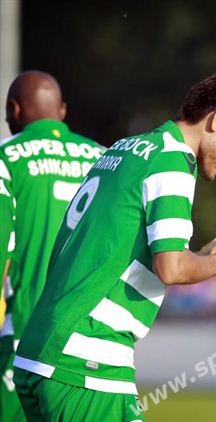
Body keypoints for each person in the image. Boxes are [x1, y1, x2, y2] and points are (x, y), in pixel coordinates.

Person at [12, 66, 216, 421]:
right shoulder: (172, 162)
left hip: (40, 350)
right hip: (85, 360)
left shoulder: (126, 149)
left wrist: (199, 256)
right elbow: (170, 267)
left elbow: (117, 247)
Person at [0, 70, 105, 422]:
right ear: (61, 111)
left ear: (14, 109)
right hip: (93, 344)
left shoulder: (6, 157)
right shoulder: (106, 160)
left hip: (26, 336)